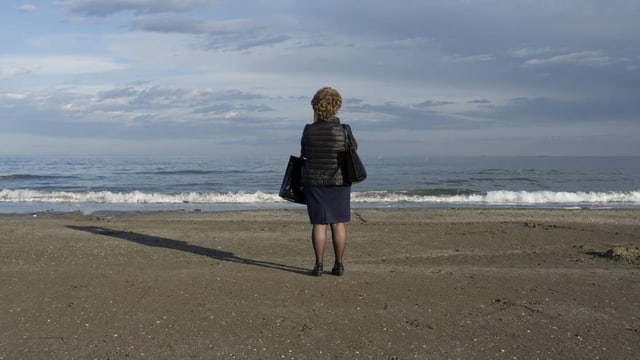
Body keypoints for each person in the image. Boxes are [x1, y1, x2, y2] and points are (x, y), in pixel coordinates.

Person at [300, 87, 358, 277]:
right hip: (339, 181)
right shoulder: (344, 130)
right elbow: (353, 150)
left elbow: (305, 154)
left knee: (319, 223)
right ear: (336, 106)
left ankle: (318, 265)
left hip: (314, 182)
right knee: (338, 223)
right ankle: (339, 264)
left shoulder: (308, 130)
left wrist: (316, 121)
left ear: (316, 107)